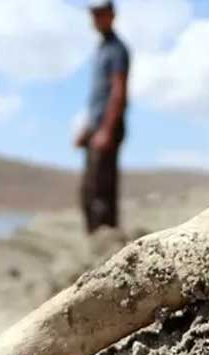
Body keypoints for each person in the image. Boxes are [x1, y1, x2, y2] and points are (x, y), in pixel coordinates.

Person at [74, 0, 130, 234]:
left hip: (108, 127)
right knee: (88, 191)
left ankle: (106, 246)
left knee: (101, 192)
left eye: (101, 13)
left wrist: (106, 129)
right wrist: (87, 129)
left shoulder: (118, 50)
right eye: (94, 14)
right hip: (96, 127)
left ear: (111, 15)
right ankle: (95, 242)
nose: (97, 18)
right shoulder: (100, 50)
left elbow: (118, 91)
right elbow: (98, 97)